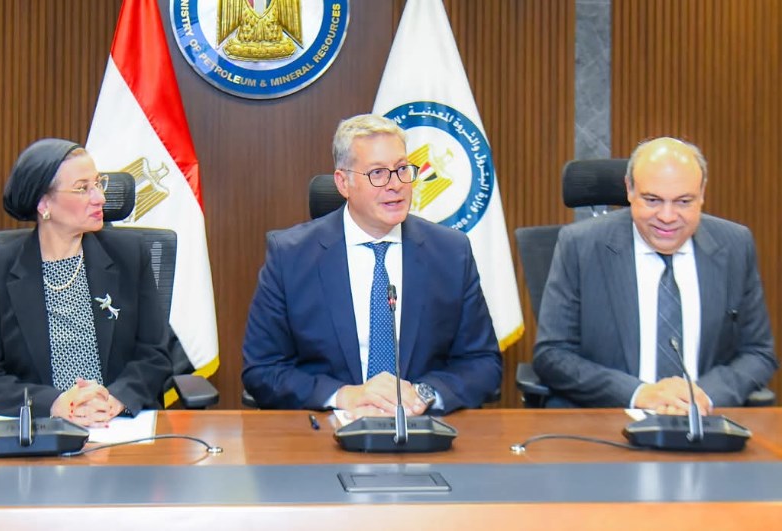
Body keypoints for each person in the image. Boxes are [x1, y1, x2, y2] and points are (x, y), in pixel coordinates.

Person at [242, 114, 502, 417]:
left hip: (422, 426)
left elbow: (483, 363)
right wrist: (343, 395)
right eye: (378, 173)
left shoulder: (450, 252)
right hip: (326, 428)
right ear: (344, 183)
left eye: (402, 169)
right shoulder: (291, 256)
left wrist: (422, 394)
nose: (396, 185)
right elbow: (262, 370)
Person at [533, 137, 777, 413]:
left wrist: (705, 396)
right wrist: (638, 393)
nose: (667, 216)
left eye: (683, 201)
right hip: (609, 418)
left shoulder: (735, 245)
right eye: (652, 200)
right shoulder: (580, 245)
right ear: (629, 189)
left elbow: (758, 353)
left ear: (702, 193)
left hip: (704, 421)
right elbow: (552, 354)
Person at [0, 138, 172, 426]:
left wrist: (115, 399)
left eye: (98, 184)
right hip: (42, 429)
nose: (100, 198)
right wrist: (55, 403)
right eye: (83, 188)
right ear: (43, 203)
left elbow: (155, 356)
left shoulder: (130, 256)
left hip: (117, 424)